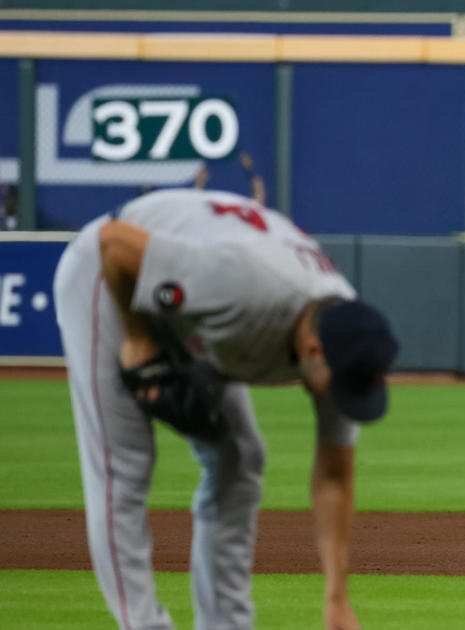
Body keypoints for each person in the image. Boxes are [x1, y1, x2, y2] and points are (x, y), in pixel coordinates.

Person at [53, 188, 399, 630]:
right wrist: (140, 338)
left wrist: (337, 601)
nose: (342, 401)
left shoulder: (347, 342)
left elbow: (334, 475)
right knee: (123, 467)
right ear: (314, 349)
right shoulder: (244, 288)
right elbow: (115, 243)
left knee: (240, 458)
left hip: (196, 304)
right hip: (111, 276)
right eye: (342, 389)